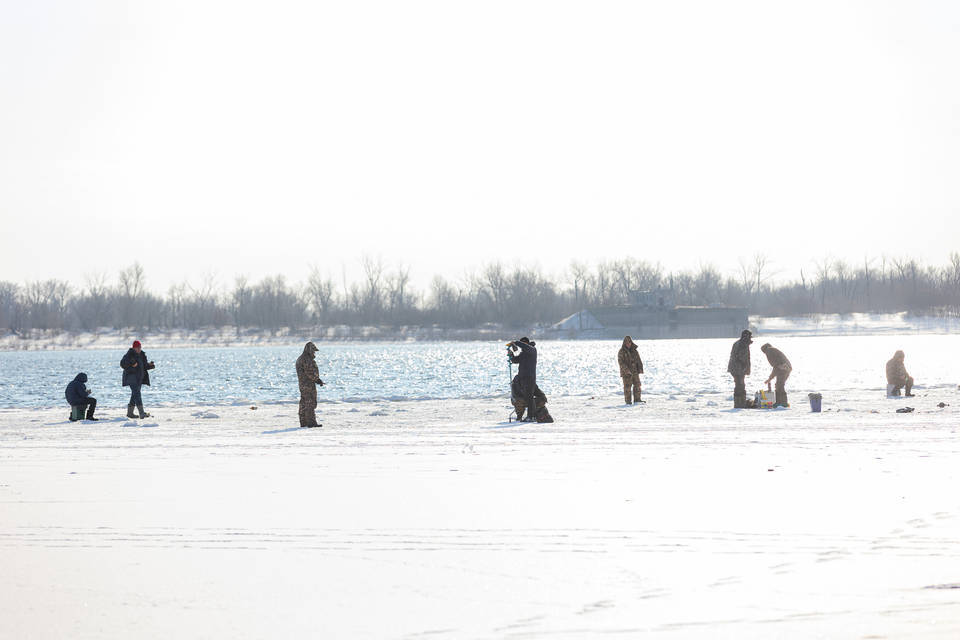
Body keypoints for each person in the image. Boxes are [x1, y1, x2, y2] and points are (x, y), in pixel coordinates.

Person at [121, 340, 155, 419]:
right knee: (137, 394)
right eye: (137, 347)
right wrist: (131, 364)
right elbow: (122, 364)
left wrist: (151, 365)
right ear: (133, 348)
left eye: (140, 347)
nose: (139, 349)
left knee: (134, 394)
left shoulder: (142, 355)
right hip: (131, 378)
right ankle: (141, 413)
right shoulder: (129, 354)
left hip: (139, 378)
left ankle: (130, 413)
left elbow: (144, 366)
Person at [296, 341, 325, 428]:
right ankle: (311, 423)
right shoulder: (306, 359)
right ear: (309, 350)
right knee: (310, 403)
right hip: (308, 385)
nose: (314, 352)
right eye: (313, 351)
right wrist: (317, 380)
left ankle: (304, 422)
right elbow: (310, 372)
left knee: (304, 403)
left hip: (302, 384)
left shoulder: (301, 358)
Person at [508, 337, 537, 421]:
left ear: (526, 343)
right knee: (528, 397)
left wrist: (515, 342)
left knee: (529, 397)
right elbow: (516, 360)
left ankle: (531, 416)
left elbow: (525, 346)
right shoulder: (524, 353)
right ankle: (532, 415)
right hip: (523, 378)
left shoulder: (532, 349)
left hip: (529, 377)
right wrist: (511, 355)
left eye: (523, 344)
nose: (522, 347)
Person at [761, 343, 792, 407]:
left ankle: (782, 403)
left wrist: (770, 378)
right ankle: (781, 402)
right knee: (779, 385)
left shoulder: (769, 351)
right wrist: (770, 378)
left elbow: (775, 366)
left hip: (783, 368)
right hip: (787, 367)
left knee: (779, 385)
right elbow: (776, 366)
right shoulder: (773, 350)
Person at [727, 329, 752, 408]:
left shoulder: (738, 343)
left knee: (739, 385)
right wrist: (745, 367)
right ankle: (740, 404)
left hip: (735, 368)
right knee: (740, 385)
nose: (750, 338)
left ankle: (740, 403)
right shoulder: (743, 344)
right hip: (738, 368)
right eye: (750, 337)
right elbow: (741, 357)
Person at [617, 336, 644, 404]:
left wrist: (640, 368)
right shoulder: (621, 351)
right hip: (626, 373)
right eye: (627, 342)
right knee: (627, 388)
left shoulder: (634, 351)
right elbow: (621, 363)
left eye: (629, 342)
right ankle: (628, 401)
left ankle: (637, 400)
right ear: (624, 343)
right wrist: (626, 370)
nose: (628, 343)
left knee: (637, 385)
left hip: (635, 371)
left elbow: (638, 360)